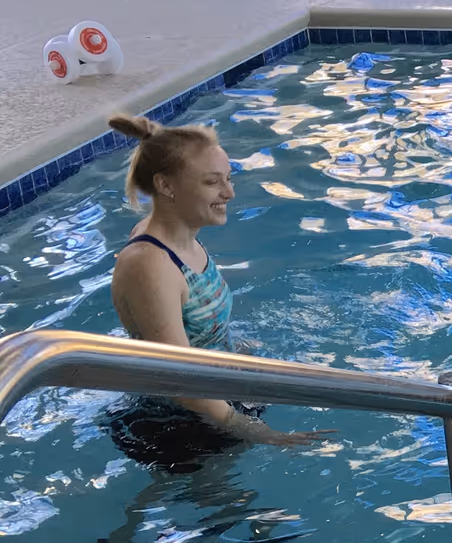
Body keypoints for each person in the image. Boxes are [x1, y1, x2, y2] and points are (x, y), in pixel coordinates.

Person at [104, 115, 330, 471]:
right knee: (227, 514)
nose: (229, 192)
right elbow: (181, 381)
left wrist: (243, 359)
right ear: (166, 186)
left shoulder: (179, 236)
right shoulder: (151, 265)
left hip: (219, 396)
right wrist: (257, 431)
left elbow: (193, 335)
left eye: (228, 178)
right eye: (212, 182)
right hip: (182, 427)